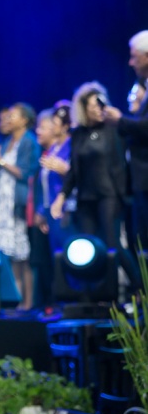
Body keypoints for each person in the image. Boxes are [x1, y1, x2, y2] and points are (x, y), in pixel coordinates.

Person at [51, 83, 138, 287]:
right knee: (88, 247)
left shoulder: (113, 129)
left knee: (112, 243)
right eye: (94, 105)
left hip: (110, 196)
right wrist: (61, 197)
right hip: (85, 198)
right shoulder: (78, 134)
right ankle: (96, 292)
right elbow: (73, 171)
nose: (99, 109)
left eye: (101, 104)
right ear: (83, 108)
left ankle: (139, 287)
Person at [0, 103, 40, 310]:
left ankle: (27, 303)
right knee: (9, 257)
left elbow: (24, 173)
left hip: (18, 204)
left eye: (13, 116)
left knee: (22, 257)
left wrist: (0, 161)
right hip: (2, 204)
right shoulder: (7, 141)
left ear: (24, 120)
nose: (8, 119)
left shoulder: (29, 141)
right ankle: (14, 300)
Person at [104, 30, 148, 263]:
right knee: (140, 240)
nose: (130, 63)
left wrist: (120, 120)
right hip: (140, 180)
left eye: (134, 57)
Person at [30, 105, 72, 307]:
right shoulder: (53, 149)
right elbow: (43, 184)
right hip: (50, 209)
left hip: (65, 208)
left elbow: (75, 175)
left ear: (64, 126)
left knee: (65, 255)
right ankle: (57, 302)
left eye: (53, 123)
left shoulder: (70, 146)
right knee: (53, 257)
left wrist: (65, 169)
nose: (50, 127)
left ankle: (69, 300)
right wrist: (42, 211)